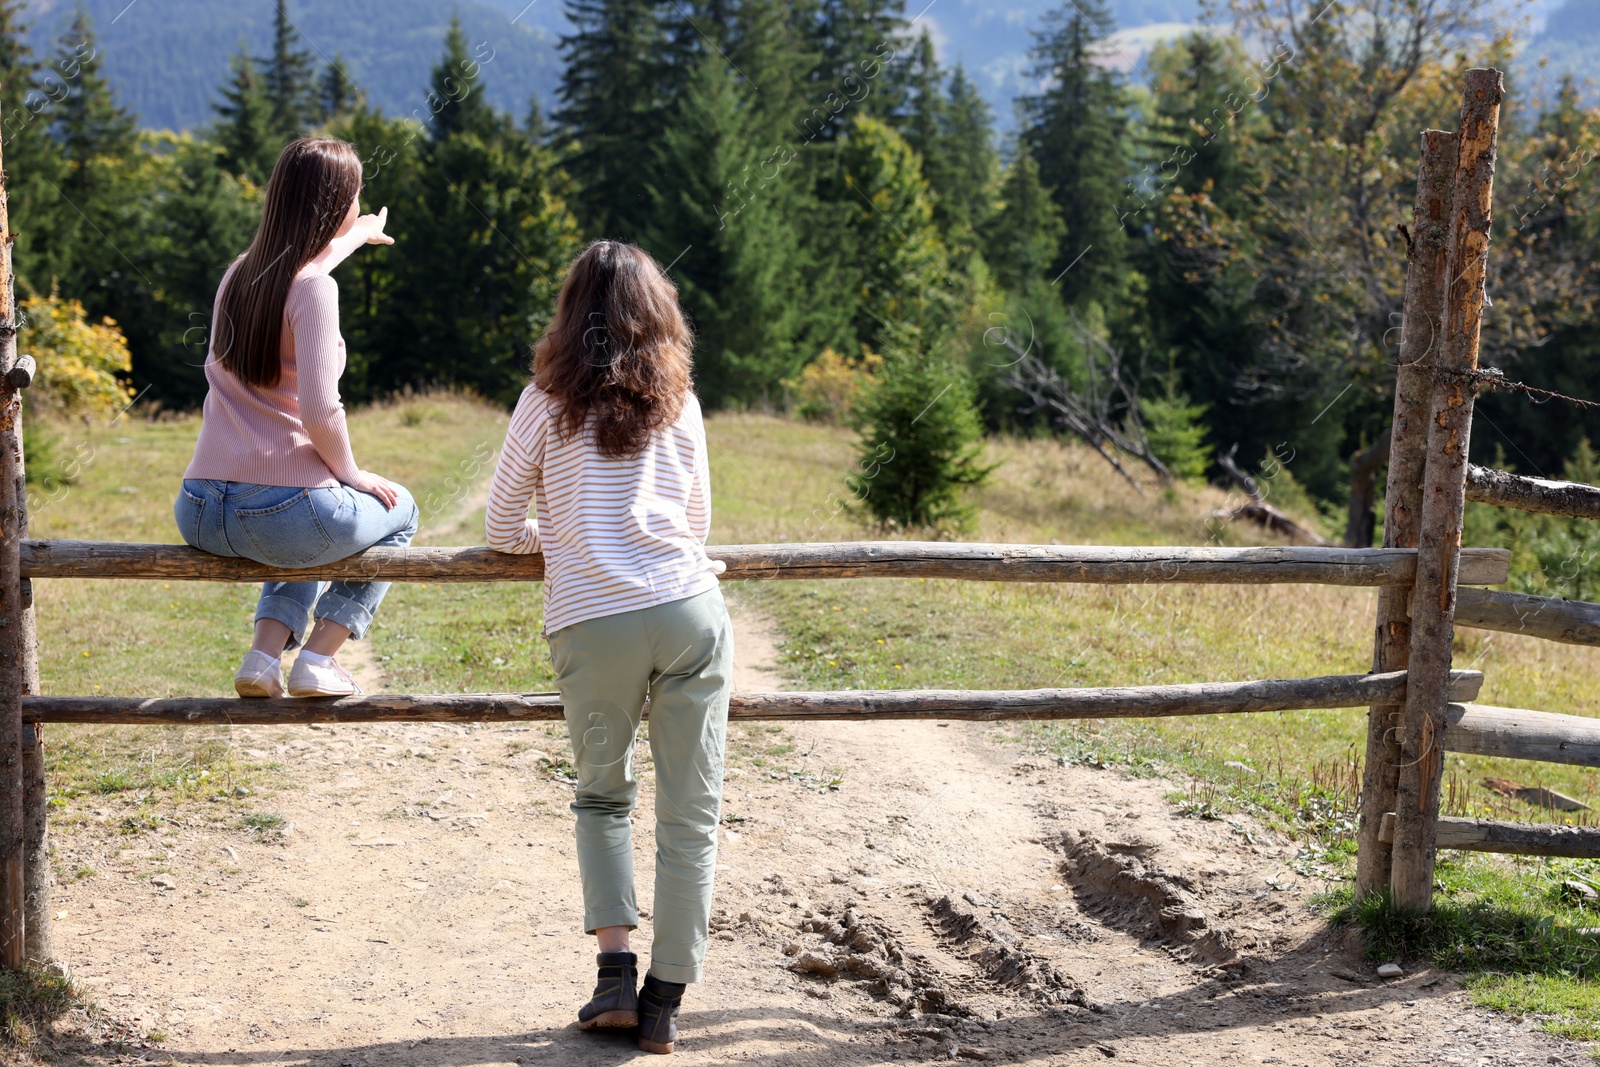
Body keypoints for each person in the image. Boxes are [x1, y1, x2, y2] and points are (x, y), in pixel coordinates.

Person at [485, 240, 732, 1055]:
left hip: (594, 625)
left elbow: (496, 526)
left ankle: (614, 977)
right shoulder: (682, 401)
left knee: (603, 796)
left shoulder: (543, 402)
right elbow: (694, 526)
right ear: (657, 314)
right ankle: (665, 1001)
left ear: (571, 314)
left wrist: (554, 538)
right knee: (690, 811)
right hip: (690, 612)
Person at [175, 137, 417, 700]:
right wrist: (352, 473)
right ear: (337, 205)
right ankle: (317, 658)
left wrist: (354, 239)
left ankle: (263, 659)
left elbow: (301, 273)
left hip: (201, 509)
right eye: (355, 200)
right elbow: (318, 406)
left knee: (307, 500)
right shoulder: (315, 290)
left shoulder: (238, 275)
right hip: (279, 516)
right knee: (398, 509)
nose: (358, 208)